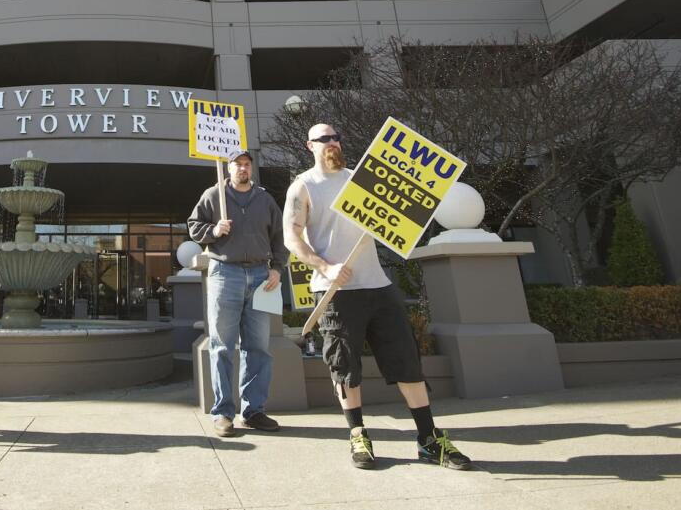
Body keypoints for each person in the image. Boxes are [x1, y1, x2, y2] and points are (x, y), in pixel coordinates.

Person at [283, 123, 472, 470]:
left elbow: (401, 212)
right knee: (345, 368)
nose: (332, 142)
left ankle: (429, 439)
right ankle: (358, 435)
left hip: (378, 286)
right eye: (324, 138)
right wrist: (324, 266)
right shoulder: (303, 187)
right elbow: (291, 237)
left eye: (336, 136)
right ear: (310, 145)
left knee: (406, 361)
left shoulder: (362, 179)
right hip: (335, 292)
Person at [187, 150, 288, 438]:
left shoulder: (265, 199)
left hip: (260, 276)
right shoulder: (212, 195)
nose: (243, 168)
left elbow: (279, 237)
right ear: (229, 168)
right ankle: (223, 413)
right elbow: (194, 226)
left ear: (251, 169)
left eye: (247, 164)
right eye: (238, 164)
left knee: (258, 347)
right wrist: (214, 230)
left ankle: (253, 411)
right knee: (221, 346)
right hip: (224, 274)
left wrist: (277, 268)